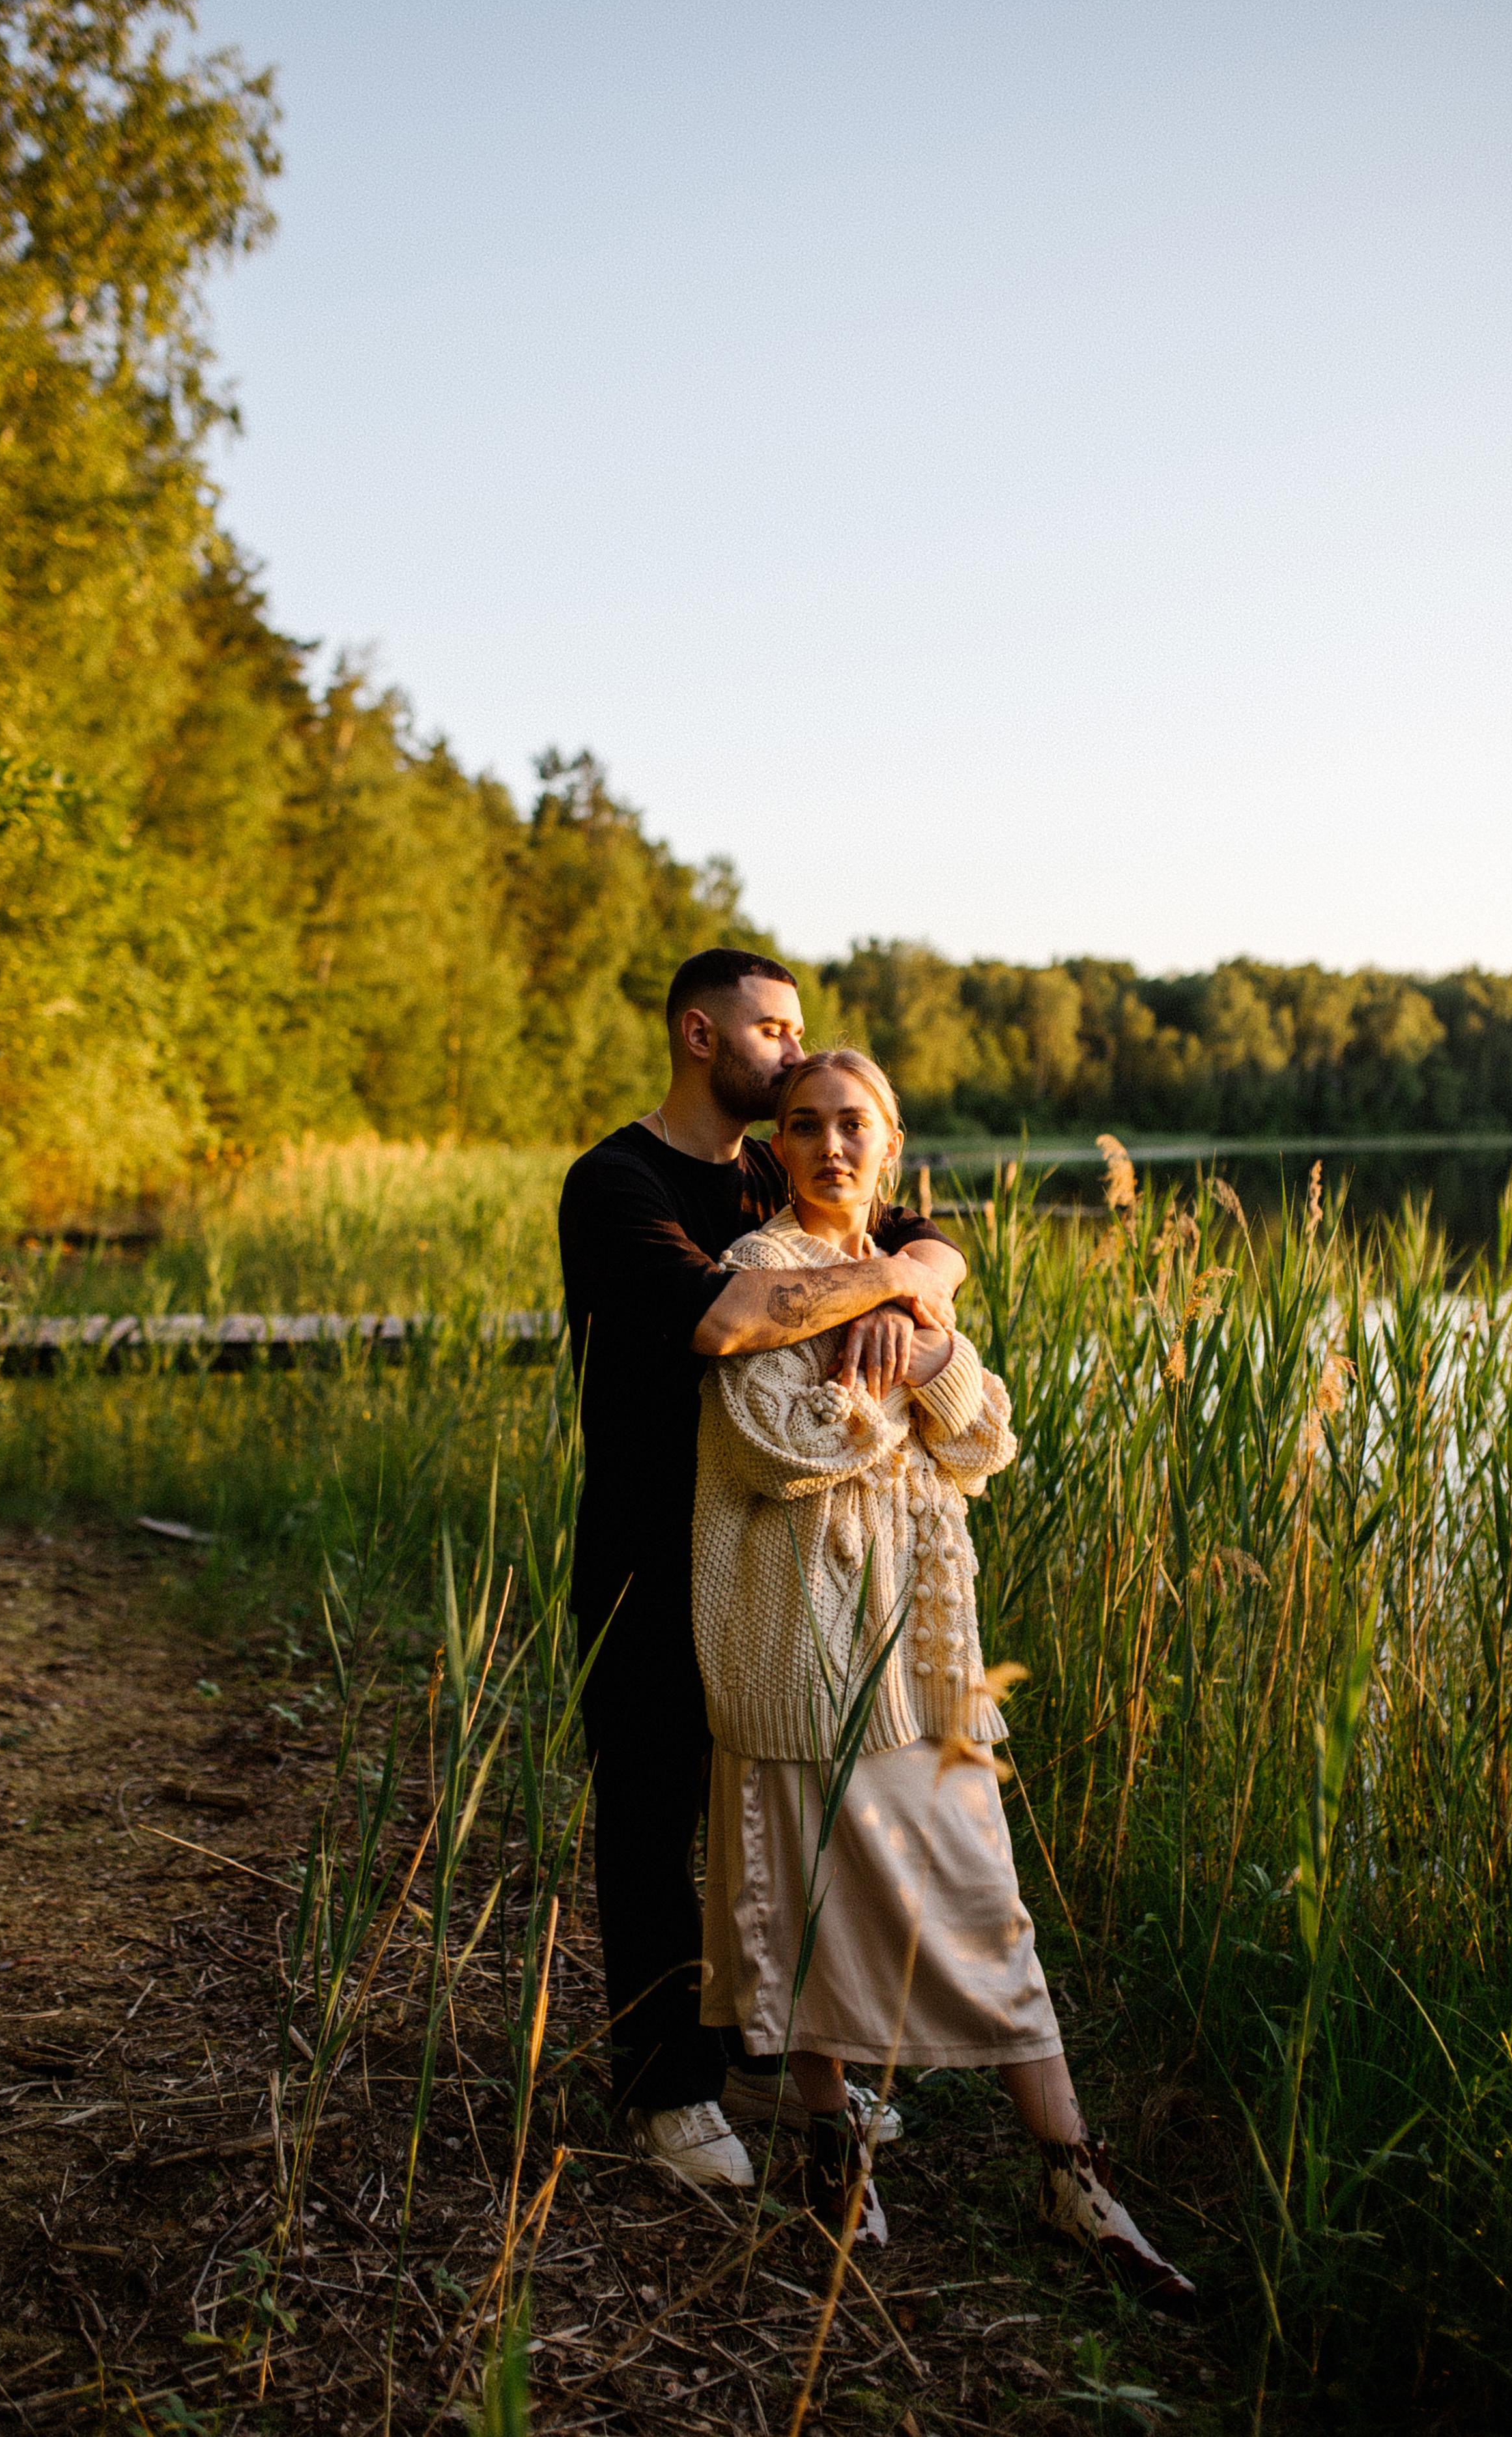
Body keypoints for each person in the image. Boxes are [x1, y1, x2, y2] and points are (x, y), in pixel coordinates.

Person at [691, 1046, 1195, 2303]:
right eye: (803, 1126)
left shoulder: (917, 1283)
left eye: (853, 1125)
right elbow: (768, 1447)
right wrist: (874, 1384)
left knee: (986, 1905)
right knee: (800, 1896)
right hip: (802, 1637)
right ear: (781, 1149)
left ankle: (1072, 2171)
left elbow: (984, 1438)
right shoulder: (759, 1271)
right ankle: (831, 2145)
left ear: (891, 1144)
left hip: (924, 1652)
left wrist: (922, 1365)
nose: (829, 1147)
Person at [558, 950, 967, 2189]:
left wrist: (914, 1287)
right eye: (775, 1034)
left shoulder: (770, 1167)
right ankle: (664, 2091)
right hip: (644, 1546)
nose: (796, 1055)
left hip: (765, 1561)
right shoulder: (617, 1181)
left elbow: (927, 1241)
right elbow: (724, 1319)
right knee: (650, 1816)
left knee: (762, 1812)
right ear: (700, 1033)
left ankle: (753, 2051)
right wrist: (884, 1284)